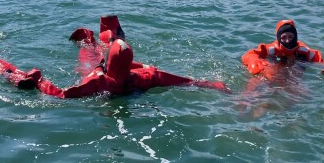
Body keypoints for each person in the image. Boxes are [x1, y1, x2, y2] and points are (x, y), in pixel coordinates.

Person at [38, 39, 228, 98]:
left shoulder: (97, 80)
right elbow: (188, 82)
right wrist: (214, 85)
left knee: (89, 49)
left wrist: (38, 81)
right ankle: (108, 40)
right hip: (134, 94)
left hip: (107, 98)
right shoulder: (146, 76)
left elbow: (61, 94)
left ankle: (92, 41)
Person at [242, 19, 324, 78]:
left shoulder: (303, 51)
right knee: (257, 81)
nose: (287, 41)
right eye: (284, 37)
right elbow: (249, 54)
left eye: (291, 37)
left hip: (294, 76)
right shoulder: (271, 49)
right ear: (279, 38)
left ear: (295, 37)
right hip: (273, 73)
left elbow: (322, 62)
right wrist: (253, 60)